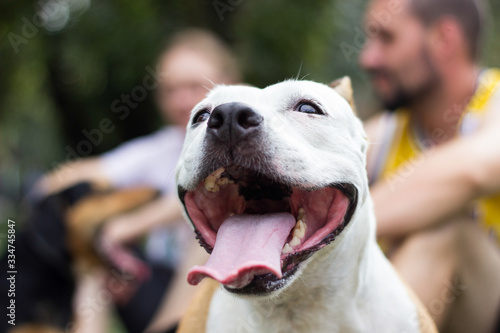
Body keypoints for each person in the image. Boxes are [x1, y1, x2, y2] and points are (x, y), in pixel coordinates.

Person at [34, 28, 241, 332]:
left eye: (194, 86)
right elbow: (68, 178)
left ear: (230, 83)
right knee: (94, 253)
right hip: (156, 285)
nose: (181, 100)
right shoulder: (163, 146)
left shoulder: (242, 138)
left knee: (213, 233)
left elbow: (214, 189)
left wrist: (132, 225)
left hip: (225, 296)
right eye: (170, 90)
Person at [359, 0, 500, 332]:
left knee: (445, 231)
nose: (367, 58)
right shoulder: (382, 133)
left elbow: (476, 169)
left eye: (387, 38)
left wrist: (339, 226)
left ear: (443, 40)